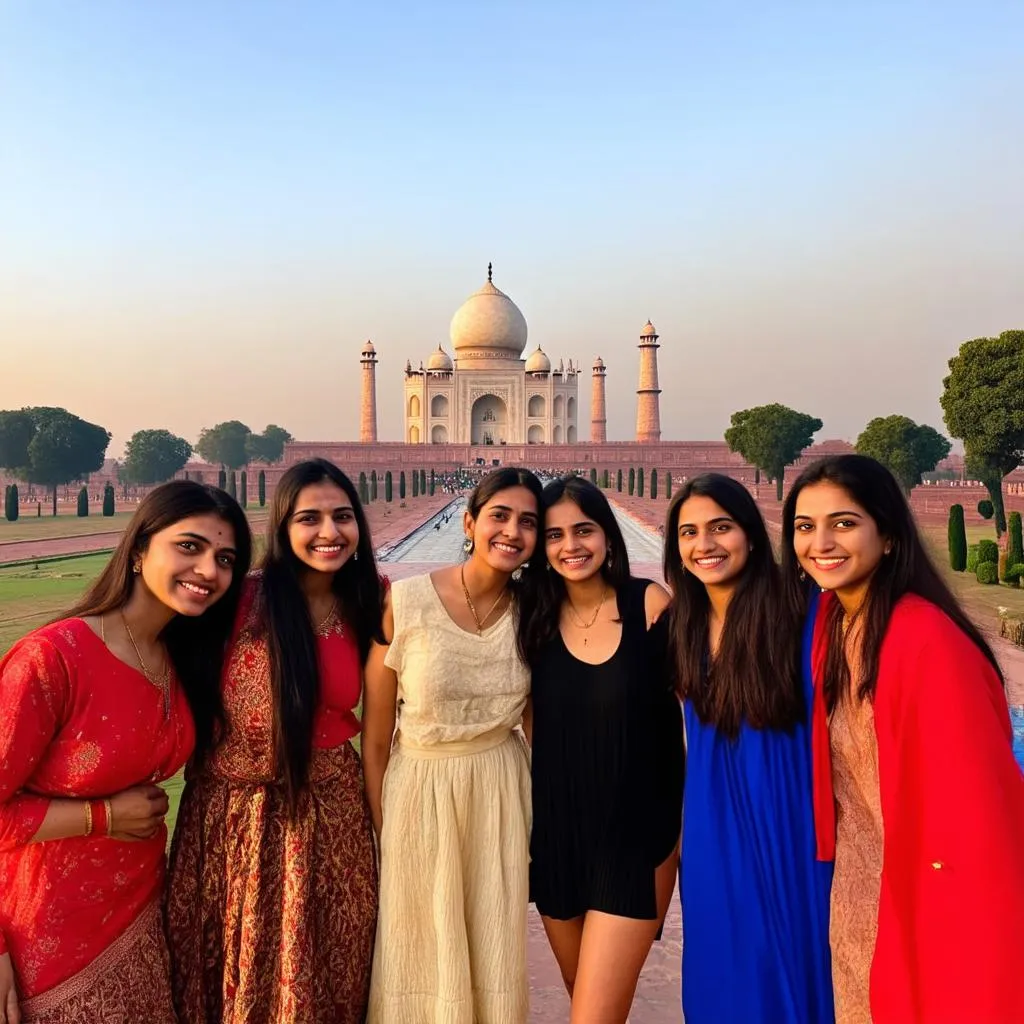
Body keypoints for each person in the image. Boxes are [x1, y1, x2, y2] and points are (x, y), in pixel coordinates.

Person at [782, 454, 1024, 1023]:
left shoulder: (926, 642)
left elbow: (981, 813)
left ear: (888, 535)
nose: (821, 542)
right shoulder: (832, 623)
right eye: (804, 526)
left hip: (929, 895)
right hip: (861, 887)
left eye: (843, 523)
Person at [0, 480, 251, 1024]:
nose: (209, 569)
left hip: (141, 918)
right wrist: (103, 816)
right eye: (189, 547)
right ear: (139, 549)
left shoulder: (181, 658)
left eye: (225, 557)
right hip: (46, 930)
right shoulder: (53, 660)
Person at [166, 459, 384, 1024]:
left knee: (334, 968)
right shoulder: (238, 598)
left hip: (334, 822)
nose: (328, 532)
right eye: (309, 518)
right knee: (229, 973)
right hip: (233, 818)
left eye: (342, 516)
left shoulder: (370, 599)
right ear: (283, 527)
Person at [362, 467, 542, 1024]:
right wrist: (385, 827)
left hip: (499, 792)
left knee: (492, 944)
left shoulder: (535, 613)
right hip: (420, 789)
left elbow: (537, 726)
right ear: (469, 523)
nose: (512, 531)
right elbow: (374, 738)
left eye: (528, 522)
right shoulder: (407, 602)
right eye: (500, 516)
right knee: (416, 946)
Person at [663, 473, 833, 1023]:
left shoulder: (802, 611)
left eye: (720, 528)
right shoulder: (681, 623)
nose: (704, 545)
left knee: (796, 956)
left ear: (752, 535)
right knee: (724, 964)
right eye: (689, 533)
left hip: (791, 812)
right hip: (713, 823)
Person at [517, 476, 682, 1023]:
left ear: (608, 535)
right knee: (581, 993)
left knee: (594, 1014)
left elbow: (700, 714)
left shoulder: (648, 606)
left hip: (635, 838)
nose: (571, 546)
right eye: (556, 534)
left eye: (584, 530)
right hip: (560, 837)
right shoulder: (533, 620)